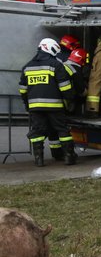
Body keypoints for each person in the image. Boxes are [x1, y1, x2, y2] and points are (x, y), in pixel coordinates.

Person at [19, 38, 76, 166]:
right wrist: (70, 100)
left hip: (35, 107)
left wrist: (27, 105)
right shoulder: (56, 65)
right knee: (62, 130)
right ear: (50, 48)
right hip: (55, 106)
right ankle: (69, 157)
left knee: (38, 131)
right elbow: (65, 87)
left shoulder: (27, 66)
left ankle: (39, 160)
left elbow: (23, 90)